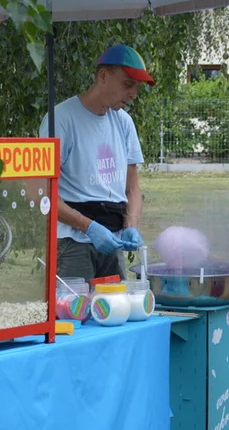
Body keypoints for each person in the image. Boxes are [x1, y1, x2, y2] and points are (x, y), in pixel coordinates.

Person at [38, 45, 149, 280]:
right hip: (72, 242)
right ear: (103, 76)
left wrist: (130, 224)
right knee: (74, 312)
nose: (133, 94)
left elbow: (132, 189)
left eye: (137, 88)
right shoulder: (60, 120)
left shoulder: (124, 122)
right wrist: (88, 226)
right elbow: (42, 192)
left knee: (115, 310)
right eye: (128, 84)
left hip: (113, 240)